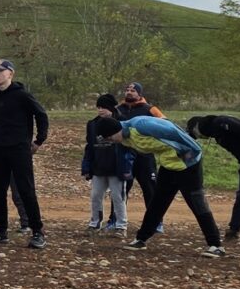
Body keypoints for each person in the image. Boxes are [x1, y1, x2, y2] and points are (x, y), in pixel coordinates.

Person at [104, 115, 226, 255]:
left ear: (116, 130)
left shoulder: (141, 126)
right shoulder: (124, 139)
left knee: (197, 204)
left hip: (188, 165)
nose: (110, 141)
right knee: (157, 203)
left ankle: (216, 245)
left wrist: (193, 151)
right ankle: (141, 239)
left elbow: (173, 130)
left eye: (109, 137)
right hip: (169, 165)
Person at [0, 59, 49, 248]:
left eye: (0, 71)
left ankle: (37, 232)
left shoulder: (22, 95)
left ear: (10, 73)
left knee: (26, 190)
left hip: (19, 149)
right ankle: (1, 231)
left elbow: (41, 115)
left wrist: (39, 140)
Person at [184, 113, 240, 242]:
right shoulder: (218, 135)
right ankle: (234, 229)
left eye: (196, 133)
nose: (200, 137)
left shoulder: (222, 122)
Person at [81, 95, 134, 232]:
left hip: (117, 168)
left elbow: (130, 146)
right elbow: (89, 146)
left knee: (118, 197)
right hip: (98, 167)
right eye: (98, 107)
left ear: (111, 108)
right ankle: (95, 223)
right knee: (95, 196)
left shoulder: (123, 123)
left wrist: (127, 165)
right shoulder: (92, 124)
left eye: (103, 107)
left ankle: (121, 225)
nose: (100, 110)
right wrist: (86, 167)